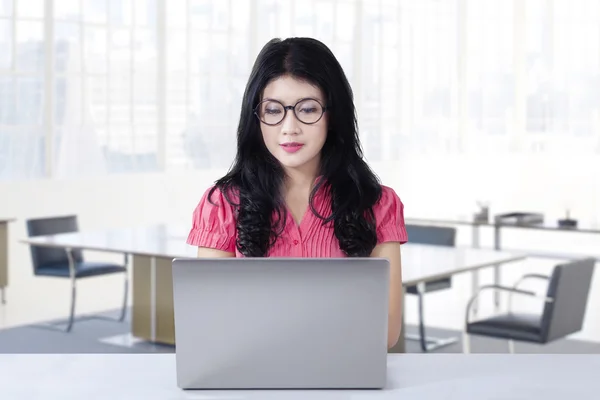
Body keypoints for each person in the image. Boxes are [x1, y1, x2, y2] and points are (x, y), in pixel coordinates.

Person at [186, 37, 408, 349]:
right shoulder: (222, 205)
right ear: (256, 116)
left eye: (307, 109)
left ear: (333, 114)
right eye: (274, 110)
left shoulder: (377, 204)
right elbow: (208, 325)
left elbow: (385, 333)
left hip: (346, 381)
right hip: (249, 382)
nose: (289, 127)